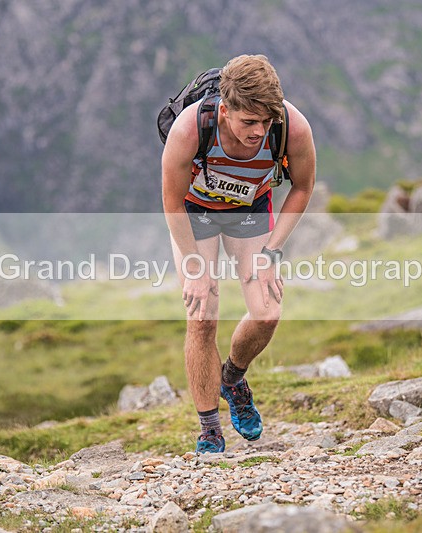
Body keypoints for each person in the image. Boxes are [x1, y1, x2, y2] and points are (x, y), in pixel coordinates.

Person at [161, 54, 316, 453]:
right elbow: (172, 202)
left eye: (266, 121)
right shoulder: (190, 129)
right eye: (249, 122)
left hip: (249, 211)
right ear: (225, 110)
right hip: (195, 213)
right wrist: (195, 266)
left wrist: (272, 252)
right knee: (202, 318)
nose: (259, 132)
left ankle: (231, 379)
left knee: (267, 313)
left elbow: (302, 187)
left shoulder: (292, 128)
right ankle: (209, 430)